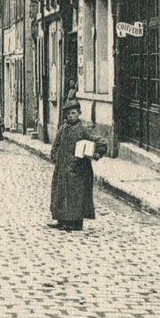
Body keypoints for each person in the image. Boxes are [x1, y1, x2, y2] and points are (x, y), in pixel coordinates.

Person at [49, 98, 107, 231]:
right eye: (68, 114)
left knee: (75, 196)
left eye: (73, 113)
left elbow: (101, 142)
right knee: (60, 194)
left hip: (78, 171)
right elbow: (56, 144)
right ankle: (61, 219)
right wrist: (54, 155)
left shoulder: (83, 130)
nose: (71, 116)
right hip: (62, 169)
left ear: (79, 113)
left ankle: (74, 222)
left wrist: (95, 154)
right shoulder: (63, 128)